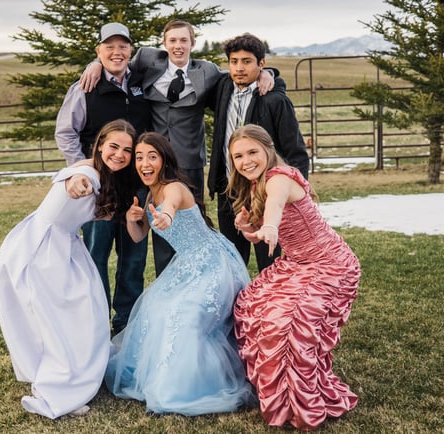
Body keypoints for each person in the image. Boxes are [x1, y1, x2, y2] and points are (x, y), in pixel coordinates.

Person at [80, 20, 276, 276]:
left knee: (192, 225)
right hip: (155, 161)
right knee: (162, 225)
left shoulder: (206, 71)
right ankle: (166, 280)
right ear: (164, 44)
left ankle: (196, 277)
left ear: (192, 43)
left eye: (184, 40)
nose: (178, 46)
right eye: (172, 40)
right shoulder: (148, 60)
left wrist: (268, 73)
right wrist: (94, 64)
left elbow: (239, 74)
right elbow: (115, 64)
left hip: (190, 159)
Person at [0, 120, 141, 419]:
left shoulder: (105, 174)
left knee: (88, 311)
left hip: (64, 245)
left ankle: (82, 369)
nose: (120, 154)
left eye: (127, 150)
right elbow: (74, 180)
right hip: (42, 251)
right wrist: (75, 182)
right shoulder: (85, 173)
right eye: (113, 146)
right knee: (60, 318)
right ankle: (58, 388)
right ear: (100, 144)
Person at [105, 132, 256, 415]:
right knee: (155, 309)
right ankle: (155, 374)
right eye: (139, 157)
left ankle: (182, 387)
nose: (144, 163)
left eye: (152, 156)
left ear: (164, 160)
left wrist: (166, 216)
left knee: (183, 315)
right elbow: (138, 237)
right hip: (186, 264)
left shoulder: (173, 188)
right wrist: (131, 221)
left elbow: (171, 208)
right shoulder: (150, 194)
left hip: (213, 263)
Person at [227, 124, 360, 431]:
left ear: (267, 150)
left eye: (252, 152)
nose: (246, 161)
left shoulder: (279, 178)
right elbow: (257, 235)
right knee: (251, 303)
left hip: (331, 265)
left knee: (286, 324)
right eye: (238, 156)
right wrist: (249, 227)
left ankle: (300, 402)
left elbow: (274, 207)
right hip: (298, 263)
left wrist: (270, 226)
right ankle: (271, 389)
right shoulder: (255, 184)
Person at [55, 22, 152, 334]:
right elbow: (66, 132)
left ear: (130, 51)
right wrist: (84, 167)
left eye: (122, 46)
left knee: (134, 258)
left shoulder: (142, 84)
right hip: (99, 189)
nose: (116, 52)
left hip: (136, 184)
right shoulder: (85, 87)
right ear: (98, 51)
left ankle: (126, 323)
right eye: (108, 47)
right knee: (96, 255)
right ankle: (96, 322)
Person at [208, 33, 310, 273]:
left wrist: (298, 195)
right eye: (234, 61)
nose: (239, 68)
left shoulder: (275, 100)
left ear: (260, 64)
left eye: (246, 61)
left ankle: (274, 308)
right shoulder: (223, 88)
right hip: (229, 190)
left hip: (264, 192)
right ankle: (236, 309)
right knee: (234, 261)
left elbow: (295, 152)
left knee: (269, 260)